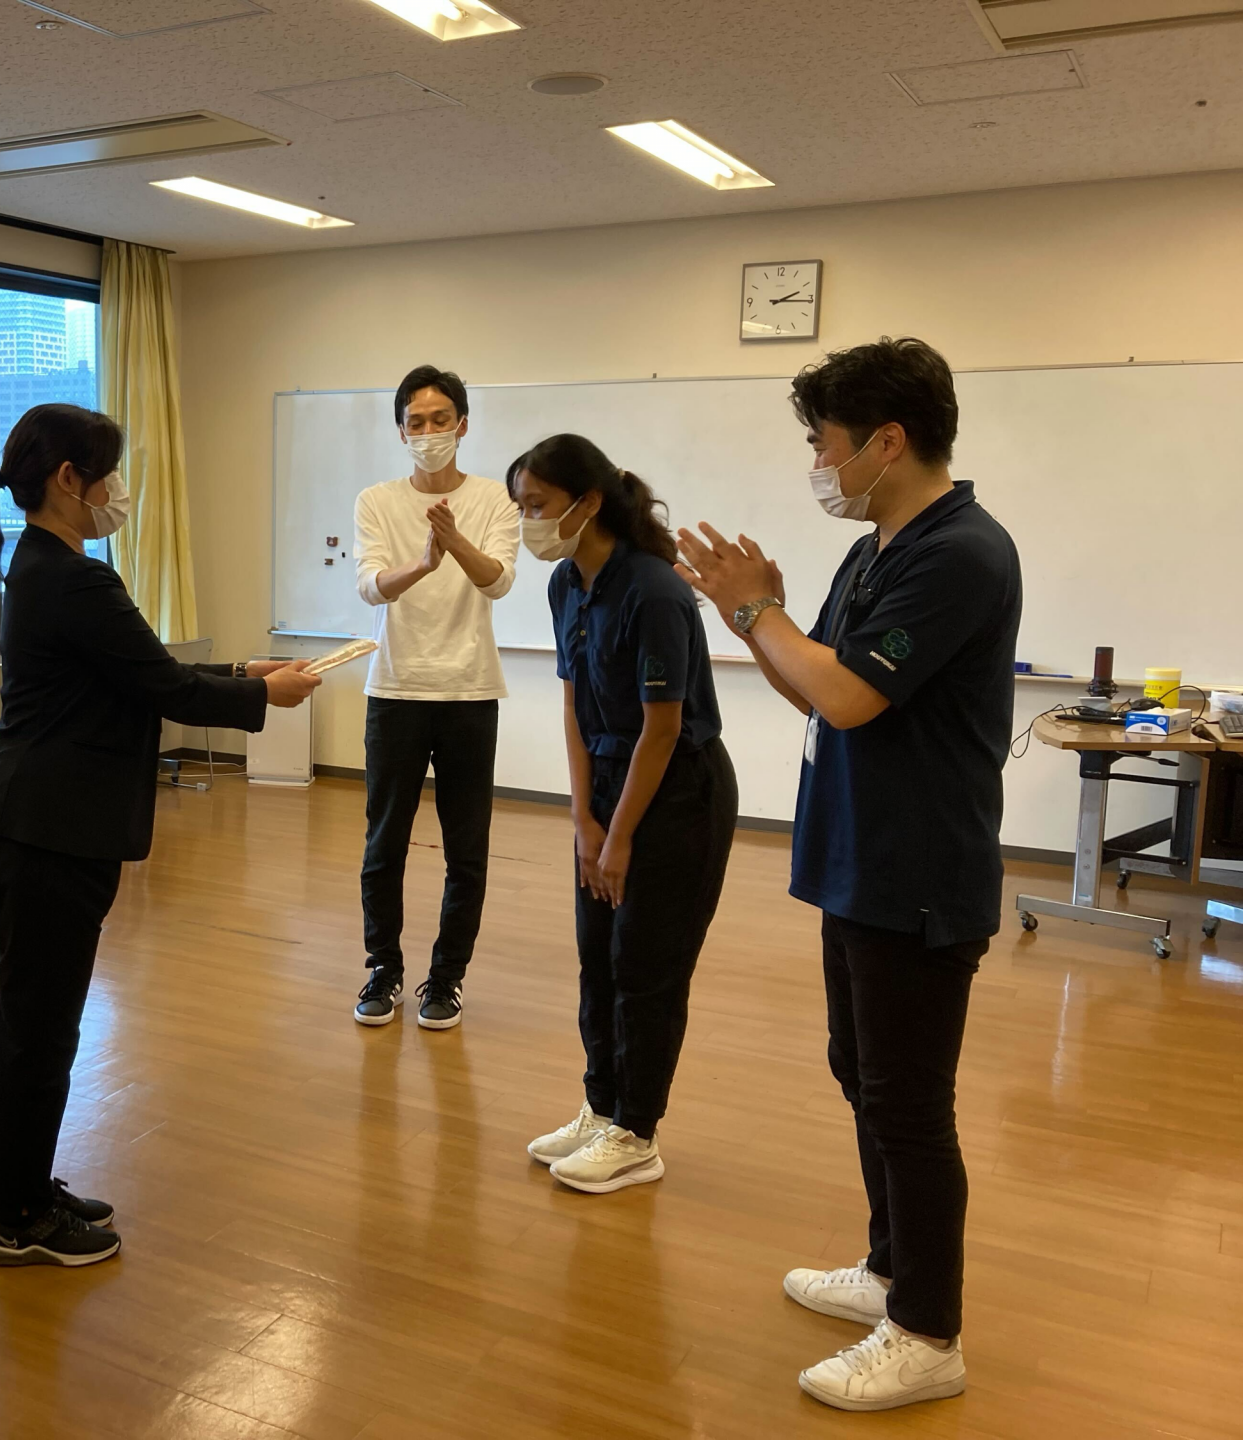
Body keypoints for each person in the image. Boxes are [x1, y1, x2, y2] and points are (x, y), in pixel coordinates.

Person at [675, 337, 1020, 1413]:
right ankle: (890, 1268)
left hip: (919, 867)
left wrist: (755, 611)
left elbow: (851, 696)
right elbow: (818, 685)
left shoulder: (960, 552)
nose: (817, 465)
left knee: (909, 1105)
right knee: (859, 1071)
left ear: (888, 441)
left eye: (824, 443)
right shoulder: (877, 549)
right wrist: (756, 619)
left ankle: (927, 1333)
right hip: (856, 856)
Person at [0, 403, 319, 1268]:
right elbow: (164, 686)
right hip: (44, 832)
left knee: (31, 1023)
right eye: (109, 473)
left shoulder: (46, 566)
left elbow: (137, 670)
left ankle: (22, 1186)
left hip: (34, 824)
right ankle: (17, 1220)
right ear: (69, 480)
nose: (118, 491)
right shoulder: (69, 577)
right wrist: (261, 696)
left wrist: (244, 672)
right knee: (40, 1031)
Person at [509, 436, 737, 1196]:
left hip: (676, 790)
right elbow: (573, 706)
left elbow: (662, 729)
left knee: (645, 968)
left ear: (589, 501)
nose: (528, 522)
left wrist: (621, 838)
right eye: (521, 507)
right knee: (597, 959)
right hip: (607, 783)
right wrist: (584, 823)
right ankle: (601, 1106)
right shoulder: (565, 584)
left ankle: (637, 1133)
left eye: (538, 505)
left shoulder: (654, 590)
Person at [351, 365, 519, 1031]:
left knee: (465, 849)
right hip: (394, 689)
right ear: (400, 431)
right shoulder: (376, 500)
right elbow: (370, 586)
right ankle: (383, 969)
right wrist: (424, 560)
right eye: (415, 422)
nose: (428, 432)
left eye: (439, 420)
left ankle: (446, 979)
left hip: (470, 692)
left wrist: (454, 541)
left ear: (463, 425)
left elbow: (497, 581)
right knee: (383, 843)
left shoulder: (495, 498)